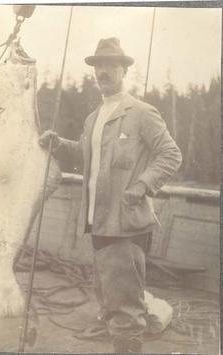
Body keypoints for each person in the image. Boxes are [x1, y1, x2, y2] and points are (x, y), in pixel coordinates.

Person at [39, 37, 182, 353]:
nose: (103, 71)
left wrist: (142, 185)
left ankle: (127, 343)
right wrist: (60, 144)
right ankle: (113, 331)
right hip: (98, 221)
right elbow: (90, 156)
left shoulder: (141, 112)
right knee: (106, 292)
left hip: (126, 223)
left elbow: (171, 154)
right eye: (98, 65)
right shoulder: (94, 118)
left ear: (123, 69)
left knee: (125, 304)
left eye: (110, 65)